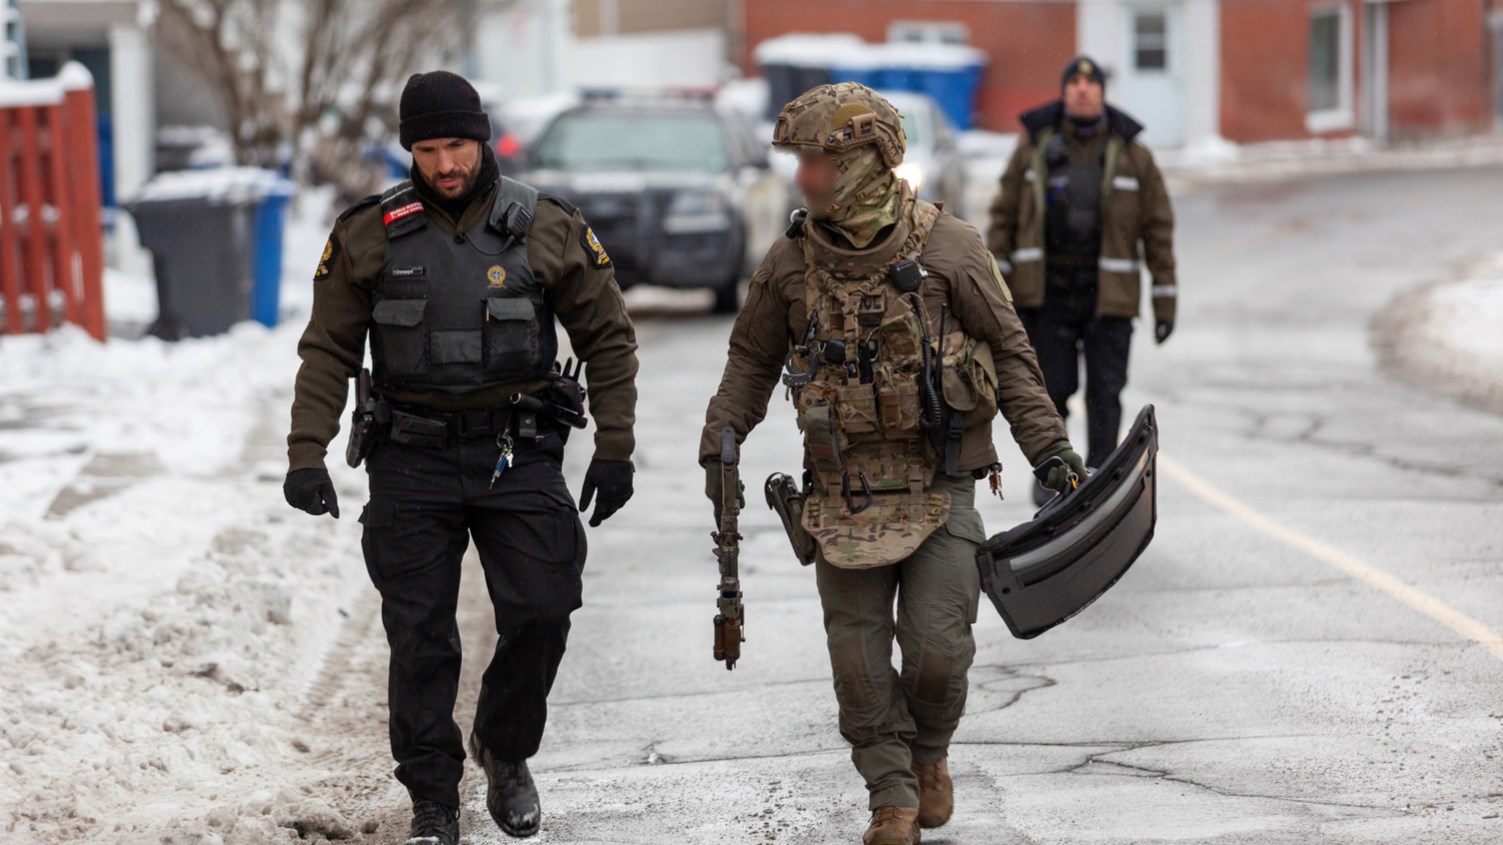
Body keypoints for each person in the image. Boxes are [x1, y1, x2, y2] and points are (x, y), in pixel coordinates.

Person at [700, 82, 1084, 845]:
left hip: (939, 481)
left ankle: (928, 752)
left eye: (819, 159)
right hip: (839, 493)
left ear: (870, 161)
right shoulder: (789, 262)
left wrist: (1051, 451)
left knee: (941, 648)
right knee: (857, 658)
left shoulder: (949, 249)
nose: (803, 176)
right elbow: (749, 361)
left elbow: (1010, 355)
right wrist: (722, 438)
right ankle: (891, 795)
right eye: (799, 160)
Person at [282, 70, 639, 844]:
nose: (445, 164)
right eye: (427, 148)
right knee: (422, 637)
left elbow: (607, 337)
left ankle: (504, 750)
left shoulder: (544, 224)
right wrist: (305, 451)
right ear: (409, 149)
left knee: (543, 610)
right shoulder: (368, 232)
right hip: (410, 458)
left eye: (457, 146)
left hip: (518, 453)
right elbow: (327, 349)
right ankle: (433, 800)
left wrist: (615, 447)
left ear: (483, 140)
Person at [986, 55, 1177, 504]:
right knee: (1052, 388)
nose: (1083, 90)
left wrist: (1165, 301)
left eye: (1091, 84)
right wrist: (999, 290)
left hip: (1109, 298)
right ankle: (1055, 475)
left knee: (1106, 392)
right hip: (1047, 295)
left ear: (1103, 93)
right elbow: (1003, 218)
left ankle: (1103, 475)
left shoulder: (1132, 153)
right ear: (1065, 91)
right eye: (1074, 83)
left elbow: (1158, 229)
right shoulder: (1034, 147)